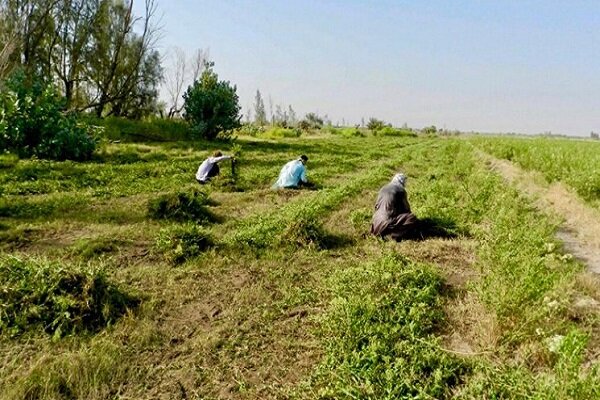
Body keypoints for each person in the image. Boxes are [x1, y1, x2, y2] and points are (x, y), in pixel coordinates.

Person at [370, 173, 419, 241]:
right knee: (411, 218)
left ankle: (381, 233)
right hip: (386, 223)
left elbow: (376, 206)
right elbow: (407, 209)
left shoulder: (383, 188)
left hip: (376, 224)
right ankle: (393, 235)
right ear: (402, 182)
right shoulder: (401, 190)